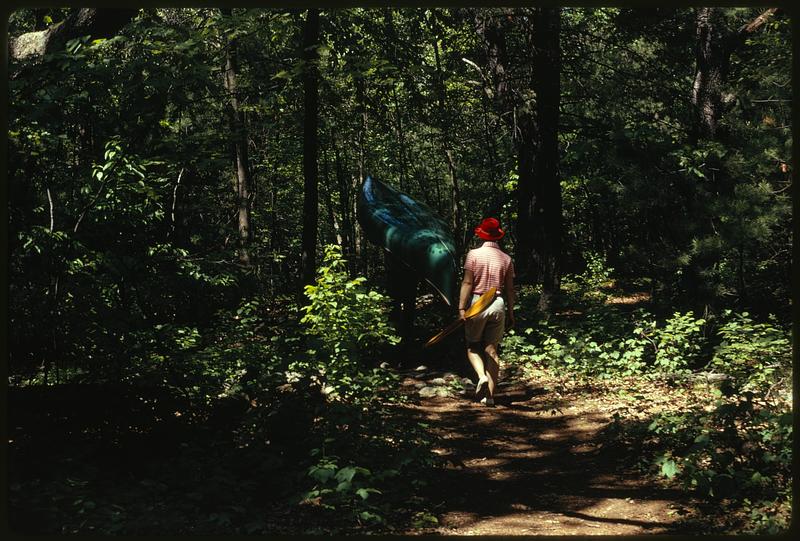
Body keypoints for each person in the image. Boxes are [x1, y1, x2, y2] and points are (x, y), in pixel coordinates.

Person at [458, 217, 515, 406]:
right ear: (498, 236)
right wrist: (512, 313)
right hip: (498, 303)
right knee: (492, 349)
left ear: (482, 234)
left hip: (478, 302)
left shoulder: (473, 255)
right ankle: (490, 397)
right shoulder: (506, 259)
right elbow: (509, 289)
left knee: (472, 346)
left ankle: (481, 376)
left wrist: (461, 307)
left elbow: (467, 282)